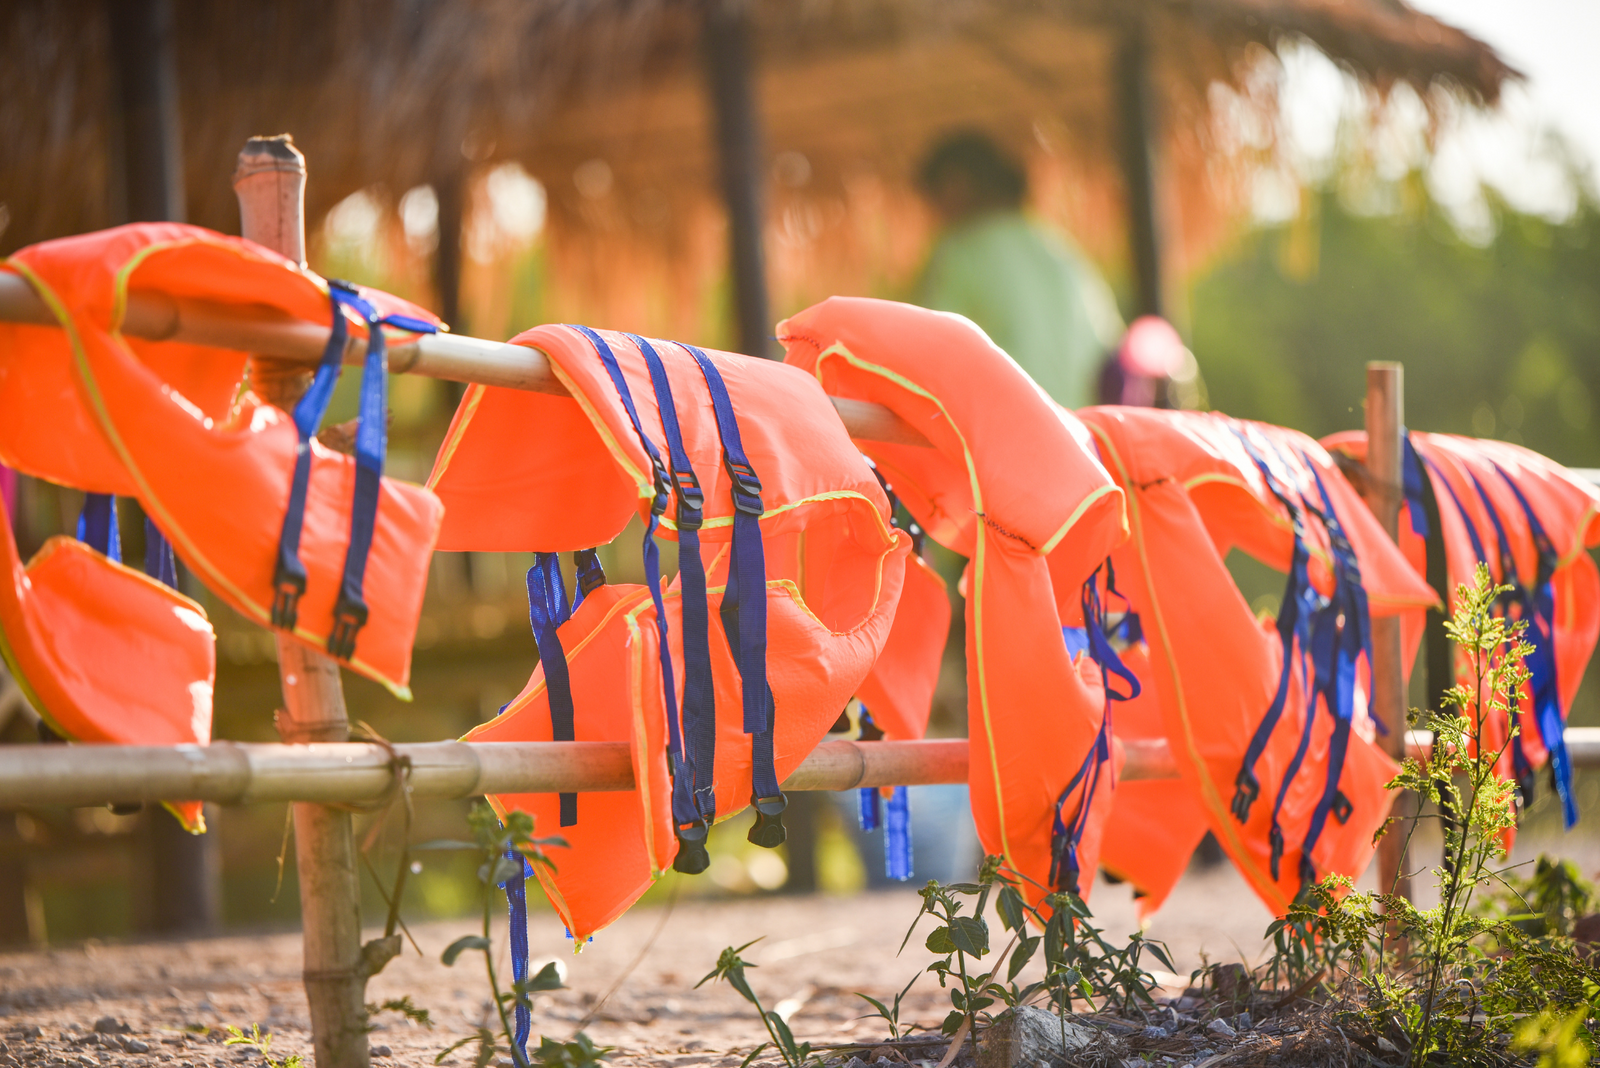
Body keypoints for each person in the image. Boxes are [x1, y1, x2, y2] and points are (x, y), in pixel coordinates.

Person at [914, 131, 1125, 409]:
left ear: (955, 186)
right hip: (1079, 436)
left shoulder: (960, 252)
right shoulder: (1063, 252)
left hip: (1004, 434)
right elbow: (1112, 358)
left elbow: (925, 354)